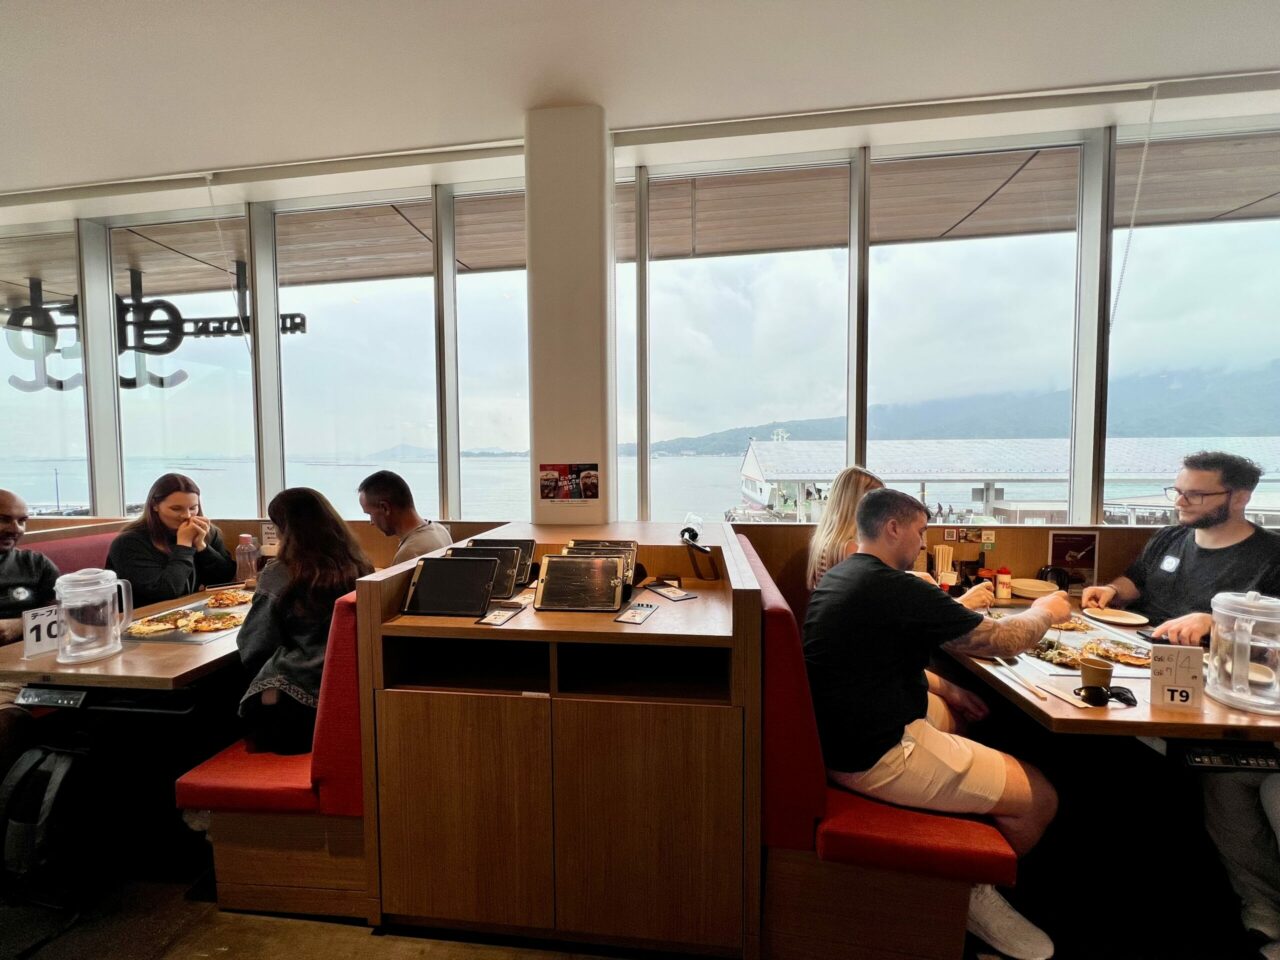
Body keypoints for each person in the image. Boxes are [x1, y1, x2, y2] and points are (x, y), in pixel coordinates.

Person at [804, 488, 1070, 960]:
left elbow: (880, 655)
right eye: (921, 532)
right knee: (1041, 799)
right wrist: (1046, 610)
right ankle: (975, 893)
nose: (924, 543)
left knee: (961, 717)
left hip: (845, 734)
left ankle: (964, 822)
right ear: (894, 528)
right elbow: (1003, 640)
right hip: (878, 754)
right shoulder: (895, 587)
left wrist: (950, 690)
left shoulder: (846, 575)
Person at [1084, 451, 1280, 947]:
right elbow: (1137, 581)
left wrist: (1217, 621)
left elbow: (1273, 636)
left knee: (1231, 780)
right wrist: (1111, 591)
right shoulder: (1169, 538)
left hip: (1226, 692)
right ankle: (1258, 908)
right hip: (1145, 673)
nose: (1181, 502)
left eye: (1196, 494)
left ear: (1240, 497)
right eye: (1178, 491)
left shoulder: (1271, 555)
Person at [237, 488, 373, 754]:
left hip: (293, 709)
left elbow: (255, 644)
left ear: (286, 530)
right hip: (345, 697)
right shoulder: (358, 566)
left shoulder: (282, 572)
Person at [106, 474, 237, 608]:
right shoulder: (128, 543)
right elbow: (165, 592)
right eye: (176, 509)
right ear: (155, 506)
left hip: (190, 611)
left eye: (193, 508)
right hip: (142, 615)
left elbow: (226, 578)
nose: (187, 515)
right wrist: (184, 546)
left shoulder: (205, 532)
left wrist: (202, 547)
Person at [0, 490, 61, 776]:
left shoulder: (35, 564)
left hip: (32, 665)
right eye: (4, 519)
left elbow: (71, 612)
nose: (16, 529)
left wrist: (18, 626)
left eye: (22, 521)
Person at [358, 470, 451, 565]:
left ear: (385, 508)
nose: (371, 522)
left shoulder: (409, 553)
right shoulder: (441, 530)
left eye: (370, 514)